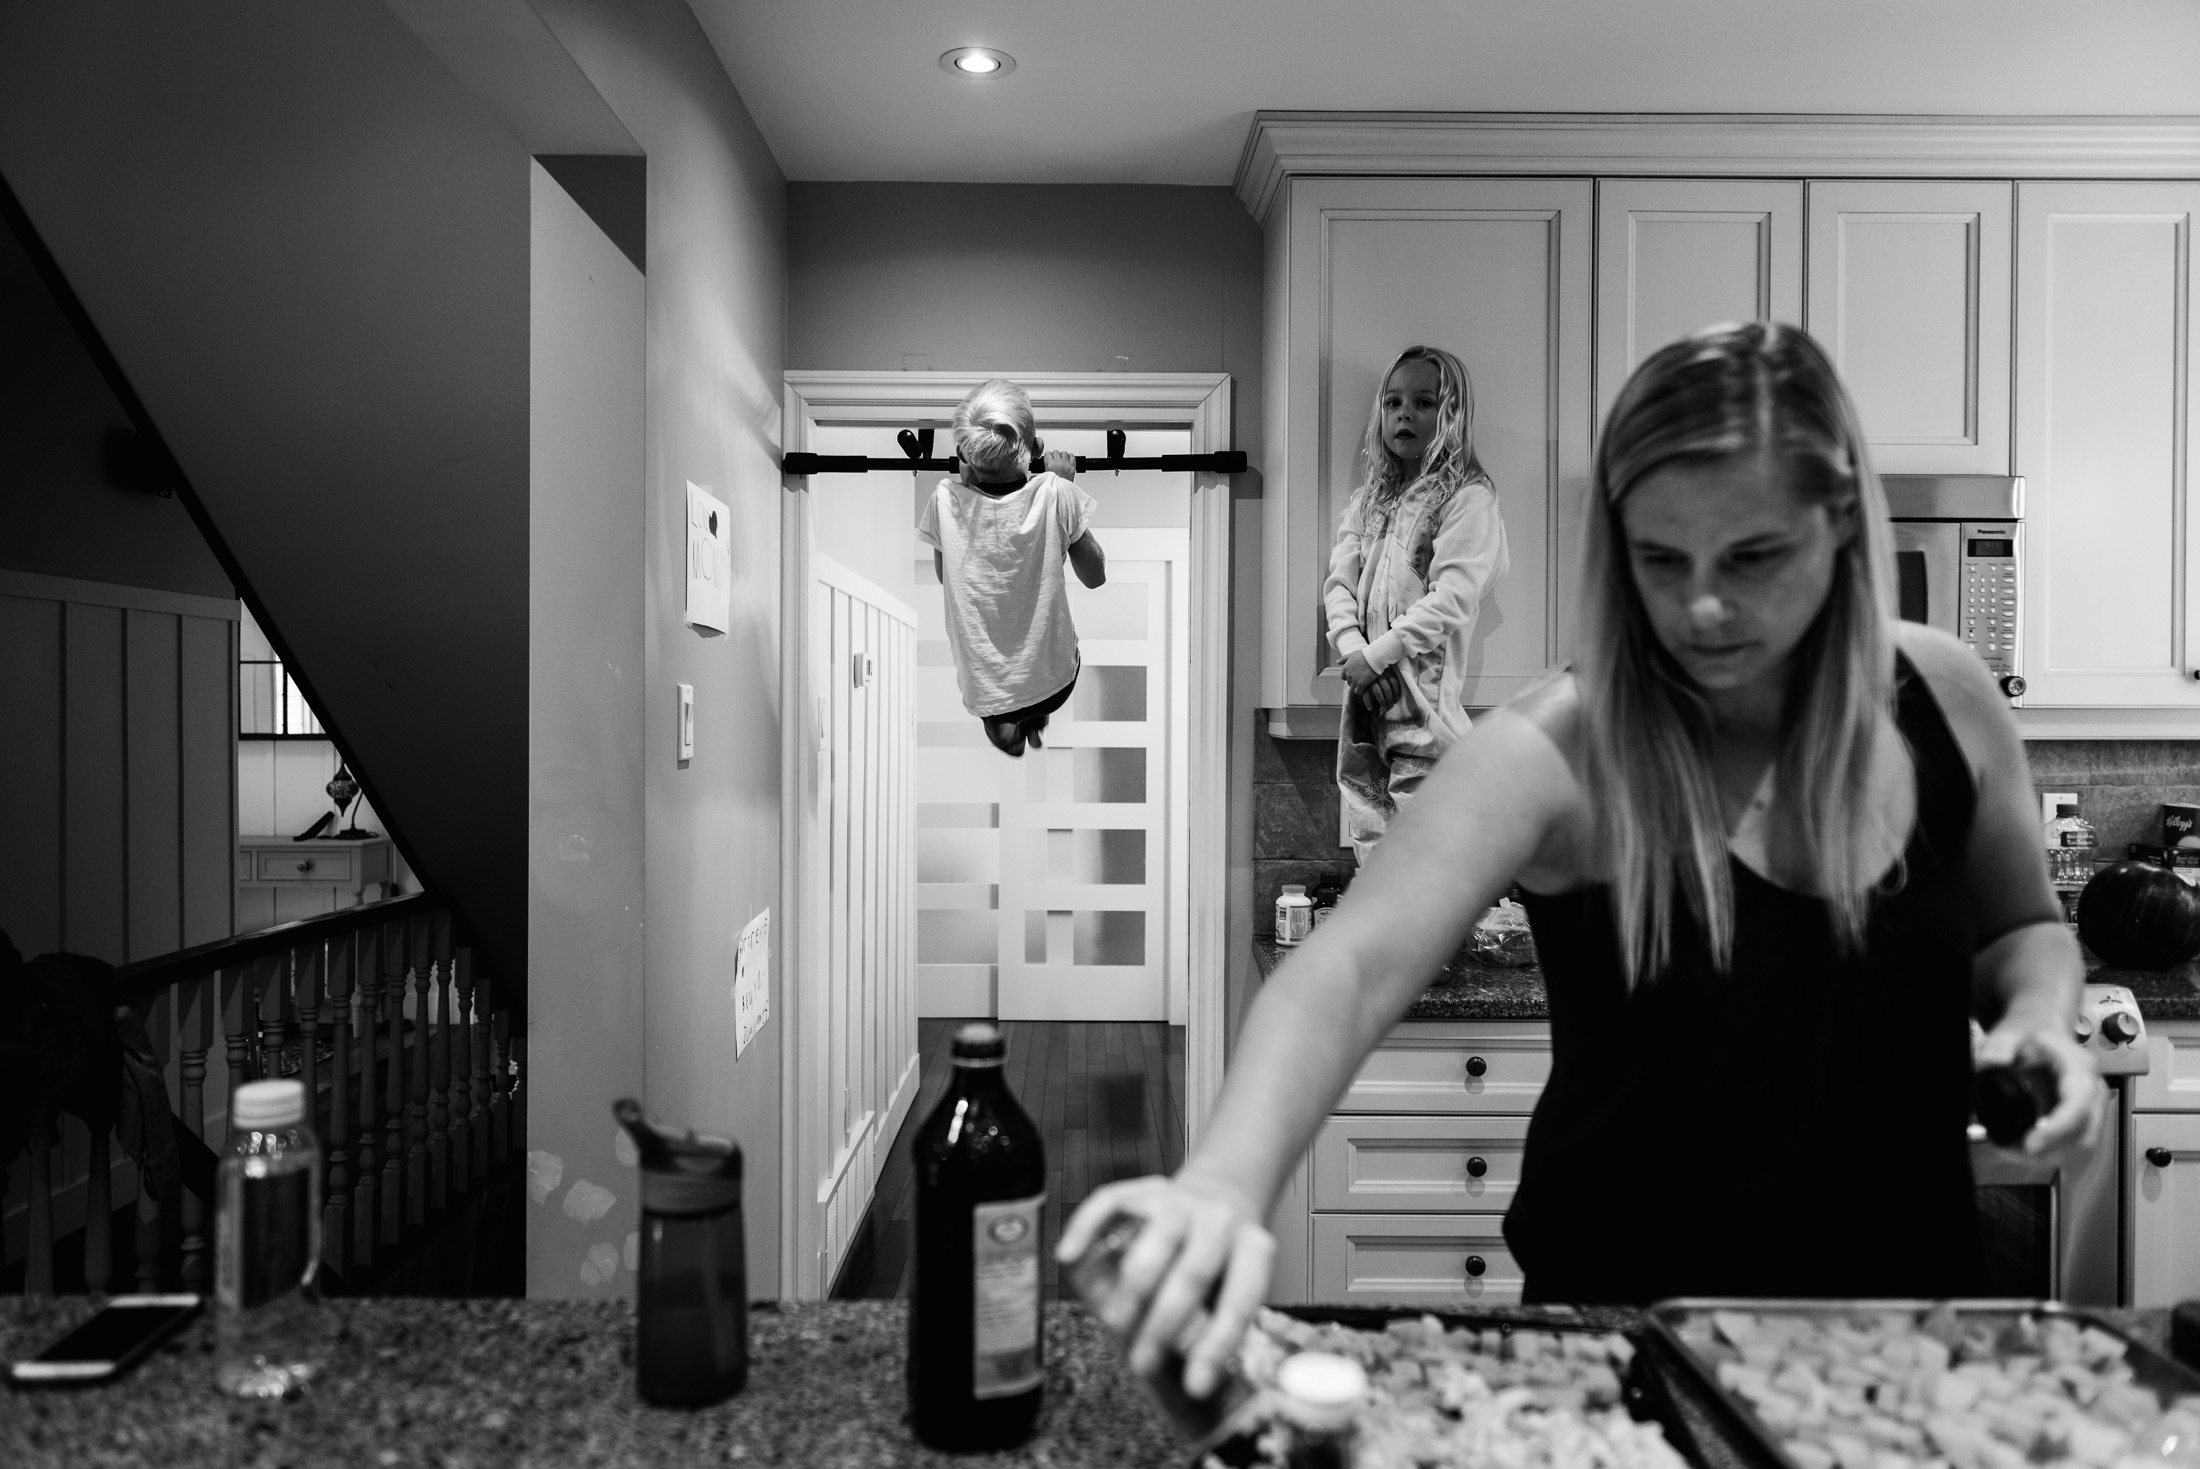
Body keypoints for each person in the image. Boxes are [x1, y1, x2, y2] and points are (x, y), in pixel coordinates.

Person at [1060, 322, 2106, 1397]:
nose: (1702, 604)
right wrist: (1224, 1182)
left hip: (1911, 1342)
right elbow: (1347, 968)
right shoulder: (1558, 748)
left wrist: (2035, 1020)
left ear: (1838, 523)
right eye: (1660, 558)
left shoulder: (1945, 697)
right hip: (1621, 1358)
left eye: (1752, 555)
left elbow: (2022, 932)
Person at [1325, 346, 1509, 860]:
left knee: (1425, 867)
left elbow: (1451, 599)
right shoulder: (1369, 501)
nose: (1404, 413)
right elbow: (1338, 585)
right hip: (1364, 714)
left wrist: (1374, 656)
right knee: (1374, 857)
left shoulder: (1469, 498)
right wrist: (1353, 650)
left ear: (1450, 414)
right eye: (1393, 402)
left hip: (1427, 724)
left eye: (1424, 402)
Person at [919, 379, 1106, 757]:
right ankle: (1032, 721)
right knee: (1036, 694)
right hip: (1055, 683)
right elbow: (1095, 576)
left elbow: (946, 576)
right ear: (1036, 449)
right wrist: (1062, 488)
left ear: (962, 454)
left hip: (985, 691)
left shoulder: (944, 500)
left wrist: (969, 481)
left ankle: (1011, 727)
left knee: (1005, 706)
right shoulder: (1055, 492)